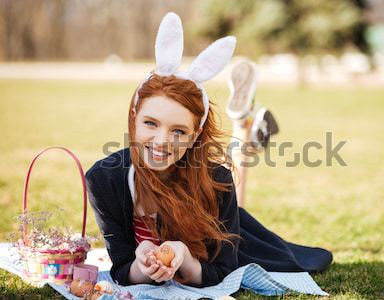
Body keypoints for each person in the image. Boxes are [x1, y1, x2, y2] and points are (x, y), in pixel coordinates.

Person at [85, 12, 332, 288]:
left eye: (178, 131)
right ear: (134, 116)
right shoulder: (103, 180)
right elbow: (122, 269)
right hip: (206, 203)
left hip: (224, 228)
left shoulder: (218, 180)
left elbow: (222, 270)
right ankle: (244, 124)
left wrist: (186, 259)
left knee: (268, 245)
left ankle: (243, 124)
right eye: (150, 123)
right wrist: (141, 265)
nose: (161, 140)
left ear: (194, 136)